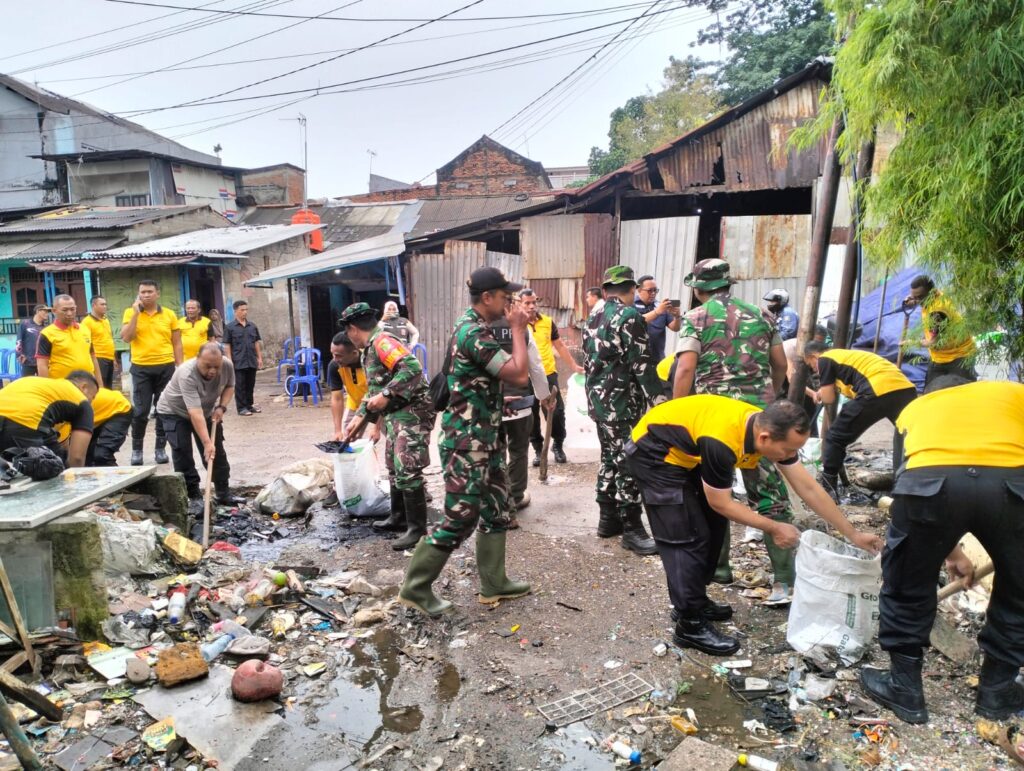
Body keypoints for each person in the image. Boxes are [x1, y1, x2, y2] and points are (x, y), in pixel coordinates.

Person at [626, 396, 882, 655]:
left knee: (713, 528)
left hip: (688, 452)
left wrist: (853, 534)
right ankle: (689, 625)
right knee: (686, 537)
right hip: (654, 454)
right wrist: (773, 527)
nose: (791, 457)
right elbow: (721, 502)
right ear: (764, 439)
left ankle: (694, 601)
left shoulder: (769, 430)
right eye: (788, 451)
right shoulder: (722, 441)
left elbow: (808, 488)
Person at [861, 379, 1024, 725]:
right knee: (1019, 591)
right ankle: (997, 691)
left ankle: (905, 689)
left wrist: (944, 548)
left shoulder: (914, 410)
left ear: (932, 393)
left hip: (928, 484)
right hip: (1013, 485)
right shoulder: (1013, 393)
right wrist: (956, 552)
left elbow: (908, 479)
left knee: (907, 583)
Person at [398, 266, 531, 617]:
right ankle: (415, 588)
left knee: (497, 509)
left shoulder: (476, 327)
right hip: (466, 444)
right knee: (459, 518)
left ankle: (494, 582)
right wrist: (518, 329)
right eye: (505, 297)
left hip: (485, 438)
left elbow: (474, 382)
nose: (509, 302)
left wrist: (494, 400)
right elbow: (518, 372)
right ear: (486, 297)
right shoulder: (474, 332)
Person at [673, 258, 794, 604]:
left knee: (715, 493)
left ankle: (720, 568)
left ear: (698, 289)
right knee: (769, 495)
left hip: (715, 423)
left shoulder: (696, 318)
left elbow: (684, 369)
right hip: (761, 422)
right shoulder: (763, 314)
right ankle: (785, 580)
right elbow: (781, 364)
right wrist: (765, 397)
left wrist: (680, 414)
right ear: (728, 285)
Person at [339, 303, 435, 551]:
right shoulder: (369, 348)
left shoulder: (382, 343)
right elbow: (373, 393)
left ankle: (417, 529)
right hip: (396, 413)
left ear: (352, 329)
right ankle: (398, 517)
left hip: (413, 412)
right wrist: (356, 424)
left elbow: (412, 368)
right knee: (394, 465)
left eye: (348, 333)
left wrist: (387, 393)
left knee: (407, 467)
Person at [583, 265, 663, 556]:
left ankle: (608, 520)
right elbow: (642, 364)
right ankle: (632, 529)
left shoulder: (594, 315)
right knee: (630, 460)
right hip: (623, 405)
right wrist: (659, 402)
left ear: (605, 291)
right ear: (631, 291)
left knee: (609, 457)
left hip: (599, 403)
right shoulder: (630, 316)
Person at [803, 342, 917, 501]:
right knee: (906, 439)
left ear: (813, 356)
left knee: (835, 437)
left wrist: (824, 389)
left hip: (876, 389)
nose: (815, 370)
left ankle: (828, 489)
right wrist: (822, 390)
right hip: (904, 389)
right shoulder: (844, 356)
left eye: (811, 366)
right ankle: (905, 486)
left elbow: (829, 398)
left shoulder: (825, 359)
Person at [155, 343, 241, 504]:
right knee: (182, 452)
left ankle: (223, 493)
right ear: (197, 358)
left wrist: (221, 407)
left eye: (216, 367)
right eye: (207, 366)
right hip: (173, 411)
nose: (212, 371)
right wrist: (207, 442)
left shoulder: (227, 365)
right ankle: (193, 497)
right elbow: (194, 413)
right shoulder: (186, 373)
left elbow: (230, 386)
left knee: (217, 452)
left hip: (205, 410)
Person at [493, 299, 553, 519]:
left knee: (496, 450)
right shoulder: (522, 330)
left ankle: (498, 497)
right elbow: (535, 366)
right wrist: (544, 396)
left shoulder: (480, 329)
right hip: (520, 400)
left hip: (492, 403)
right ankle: (516, 495)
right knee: (518, 449)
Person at [121, 279, 182, 466]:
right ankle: (137, 451)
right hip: (141, 368)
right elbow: (126, 338)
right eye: (142, 292)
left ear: (157, 294)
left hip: (166, 367)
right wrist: (135, 315)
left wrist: (180, 366)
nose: (146, 295)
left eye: (149, 292)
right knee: (140, 411)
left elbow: (177, 342)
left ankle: (160, 449)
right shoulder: (130, 313)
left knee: (163, 409)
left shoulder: (170, 315)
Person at [520, 288, 582, 467]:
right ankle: (539, 450)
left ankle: (557, 445)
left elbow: (560, 346)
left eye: (534, 302)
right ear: (520, 304)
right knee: (530, 415)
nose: (532, 306)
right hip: (525, 377)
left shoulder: (547, 322)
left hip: (547, 373)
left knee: (555, 412)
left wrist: (574, 366)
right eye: (527, 303)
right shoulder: (515, 324)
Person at [0, 372, 97, 467]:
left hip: (9, 416)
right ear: (84, 387)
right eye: (92, 397)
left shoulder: (46, 388)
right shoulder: (82, 402)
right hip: (24, 424)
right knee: (53, 468)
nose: (91, 402)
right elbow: (77, 458)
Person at [903, 274, 977, 383]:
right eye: (914, 297)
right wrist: (913, 300)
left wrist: (911, 343)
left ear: (932, 293)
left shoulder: (937, 312)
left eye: (919, 297)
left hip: (960, 356)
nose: (917, 301)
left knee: (962, 394)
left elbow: (934, 343)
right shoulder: (934, 295)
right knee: (932, 394)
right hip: (940, 356)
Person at [36, 295, 104, 387]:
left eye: (72, 309)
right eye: (65, 310)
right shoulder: (47, 334)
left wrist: (100, 386)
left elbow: (93, 358)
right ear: (54, 311)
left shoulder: (85, 330)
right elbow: (42, 365)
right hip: (62, 388)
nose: (69, 313)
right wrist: (48, 390)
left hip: (87, 387)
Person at [327, 332, 375, 440]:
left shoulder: (371, 361)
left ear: (354, 353)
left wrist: (376, 428)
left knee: (394, 438)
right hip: (355, 404)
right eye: (333, 354)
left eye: (339, 356)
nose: (334, 359)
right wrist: (338, 431)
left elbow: (381, 390)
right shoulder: (335, 366)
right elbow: (337, 398)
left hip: (378, 403)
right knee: (347, 439)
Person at [223, 300, 263, 416]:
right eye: (242, 310)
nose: (245, 312)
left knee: (250, 384)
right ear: (235, 311)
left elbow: (256, 343)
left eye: (246, 310)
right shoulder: (230, 327)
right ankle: (241, 408)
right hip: (238, 361)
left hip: (251, 359)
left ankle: (249, 405)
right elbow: (227, 345)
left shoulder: (252, 326)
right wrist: (229, 360)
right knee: (240, 385)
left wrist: (259, 358)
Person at [634, 275, 681, 361]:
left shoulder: (660, 306)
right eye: (649, 290)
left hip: (657, 359)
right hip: (636, 359)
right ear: (639, 290)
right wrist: (657, 311)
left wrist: (677, 316)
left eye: (655, 290)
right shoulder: (631, 306)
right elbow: (636, 322)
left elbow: (675, 328)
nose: (653, 293)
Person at [83, 387, 132, 466]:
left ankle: (116, 478)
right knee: (87, 457)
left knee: (102, 455)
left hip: (118, 409)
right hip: (96, 414)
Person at [81, 296, 116, 389]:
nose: (105, 306)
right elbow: (86, 343)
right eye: (102, 304)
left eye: (105, 304)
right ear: (94, 305)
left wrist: (114, 358)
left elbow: (109, 338)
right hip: (98, 358)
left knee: (109, 387)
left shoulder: (105, 320)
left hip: (109, 357)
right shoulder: (87, 322)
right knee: (100, 386)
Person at [16, 304, 50, 377]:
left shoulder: (46, 327)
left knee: (43, 384)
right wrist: (19, 354)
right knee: (27, 384)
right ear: (38, 311)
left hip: (43, 362)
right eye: (45, 311)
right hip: (28, 360)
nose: (47, 314)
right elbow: (19, 340)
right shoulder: (25, 324)